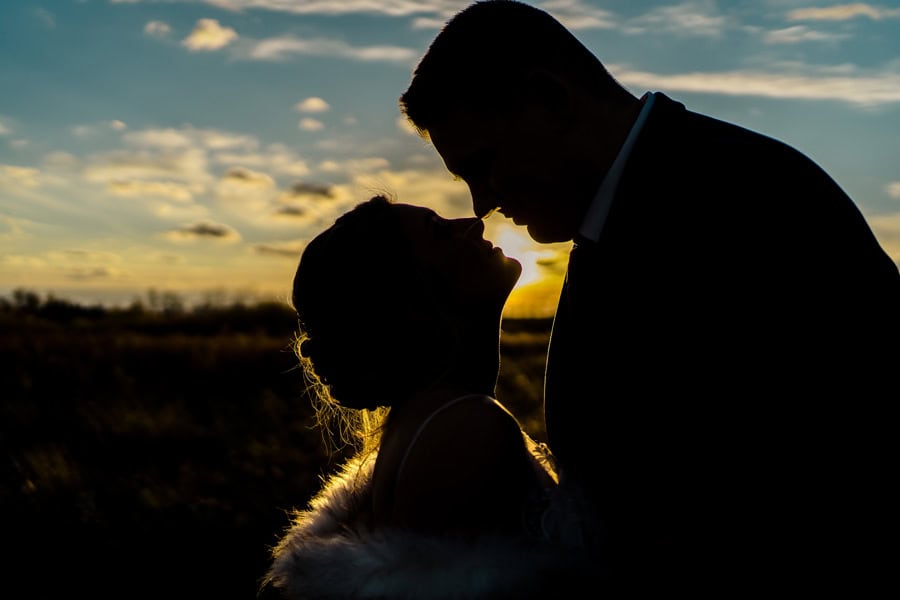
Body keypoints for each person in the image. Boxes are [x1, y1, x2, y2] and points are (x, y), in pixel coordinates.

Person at [399, 0, 900, 595]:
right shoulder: (627, 213)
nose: (481, 203)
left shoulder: (740, 204)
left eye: (483, 165)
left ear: (549, 101)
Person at [260, 195, 596, 600]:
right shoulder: (466, 428)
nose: (473, 224)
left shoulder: (434, 416)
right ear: (409, 300)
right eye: (439, 230)